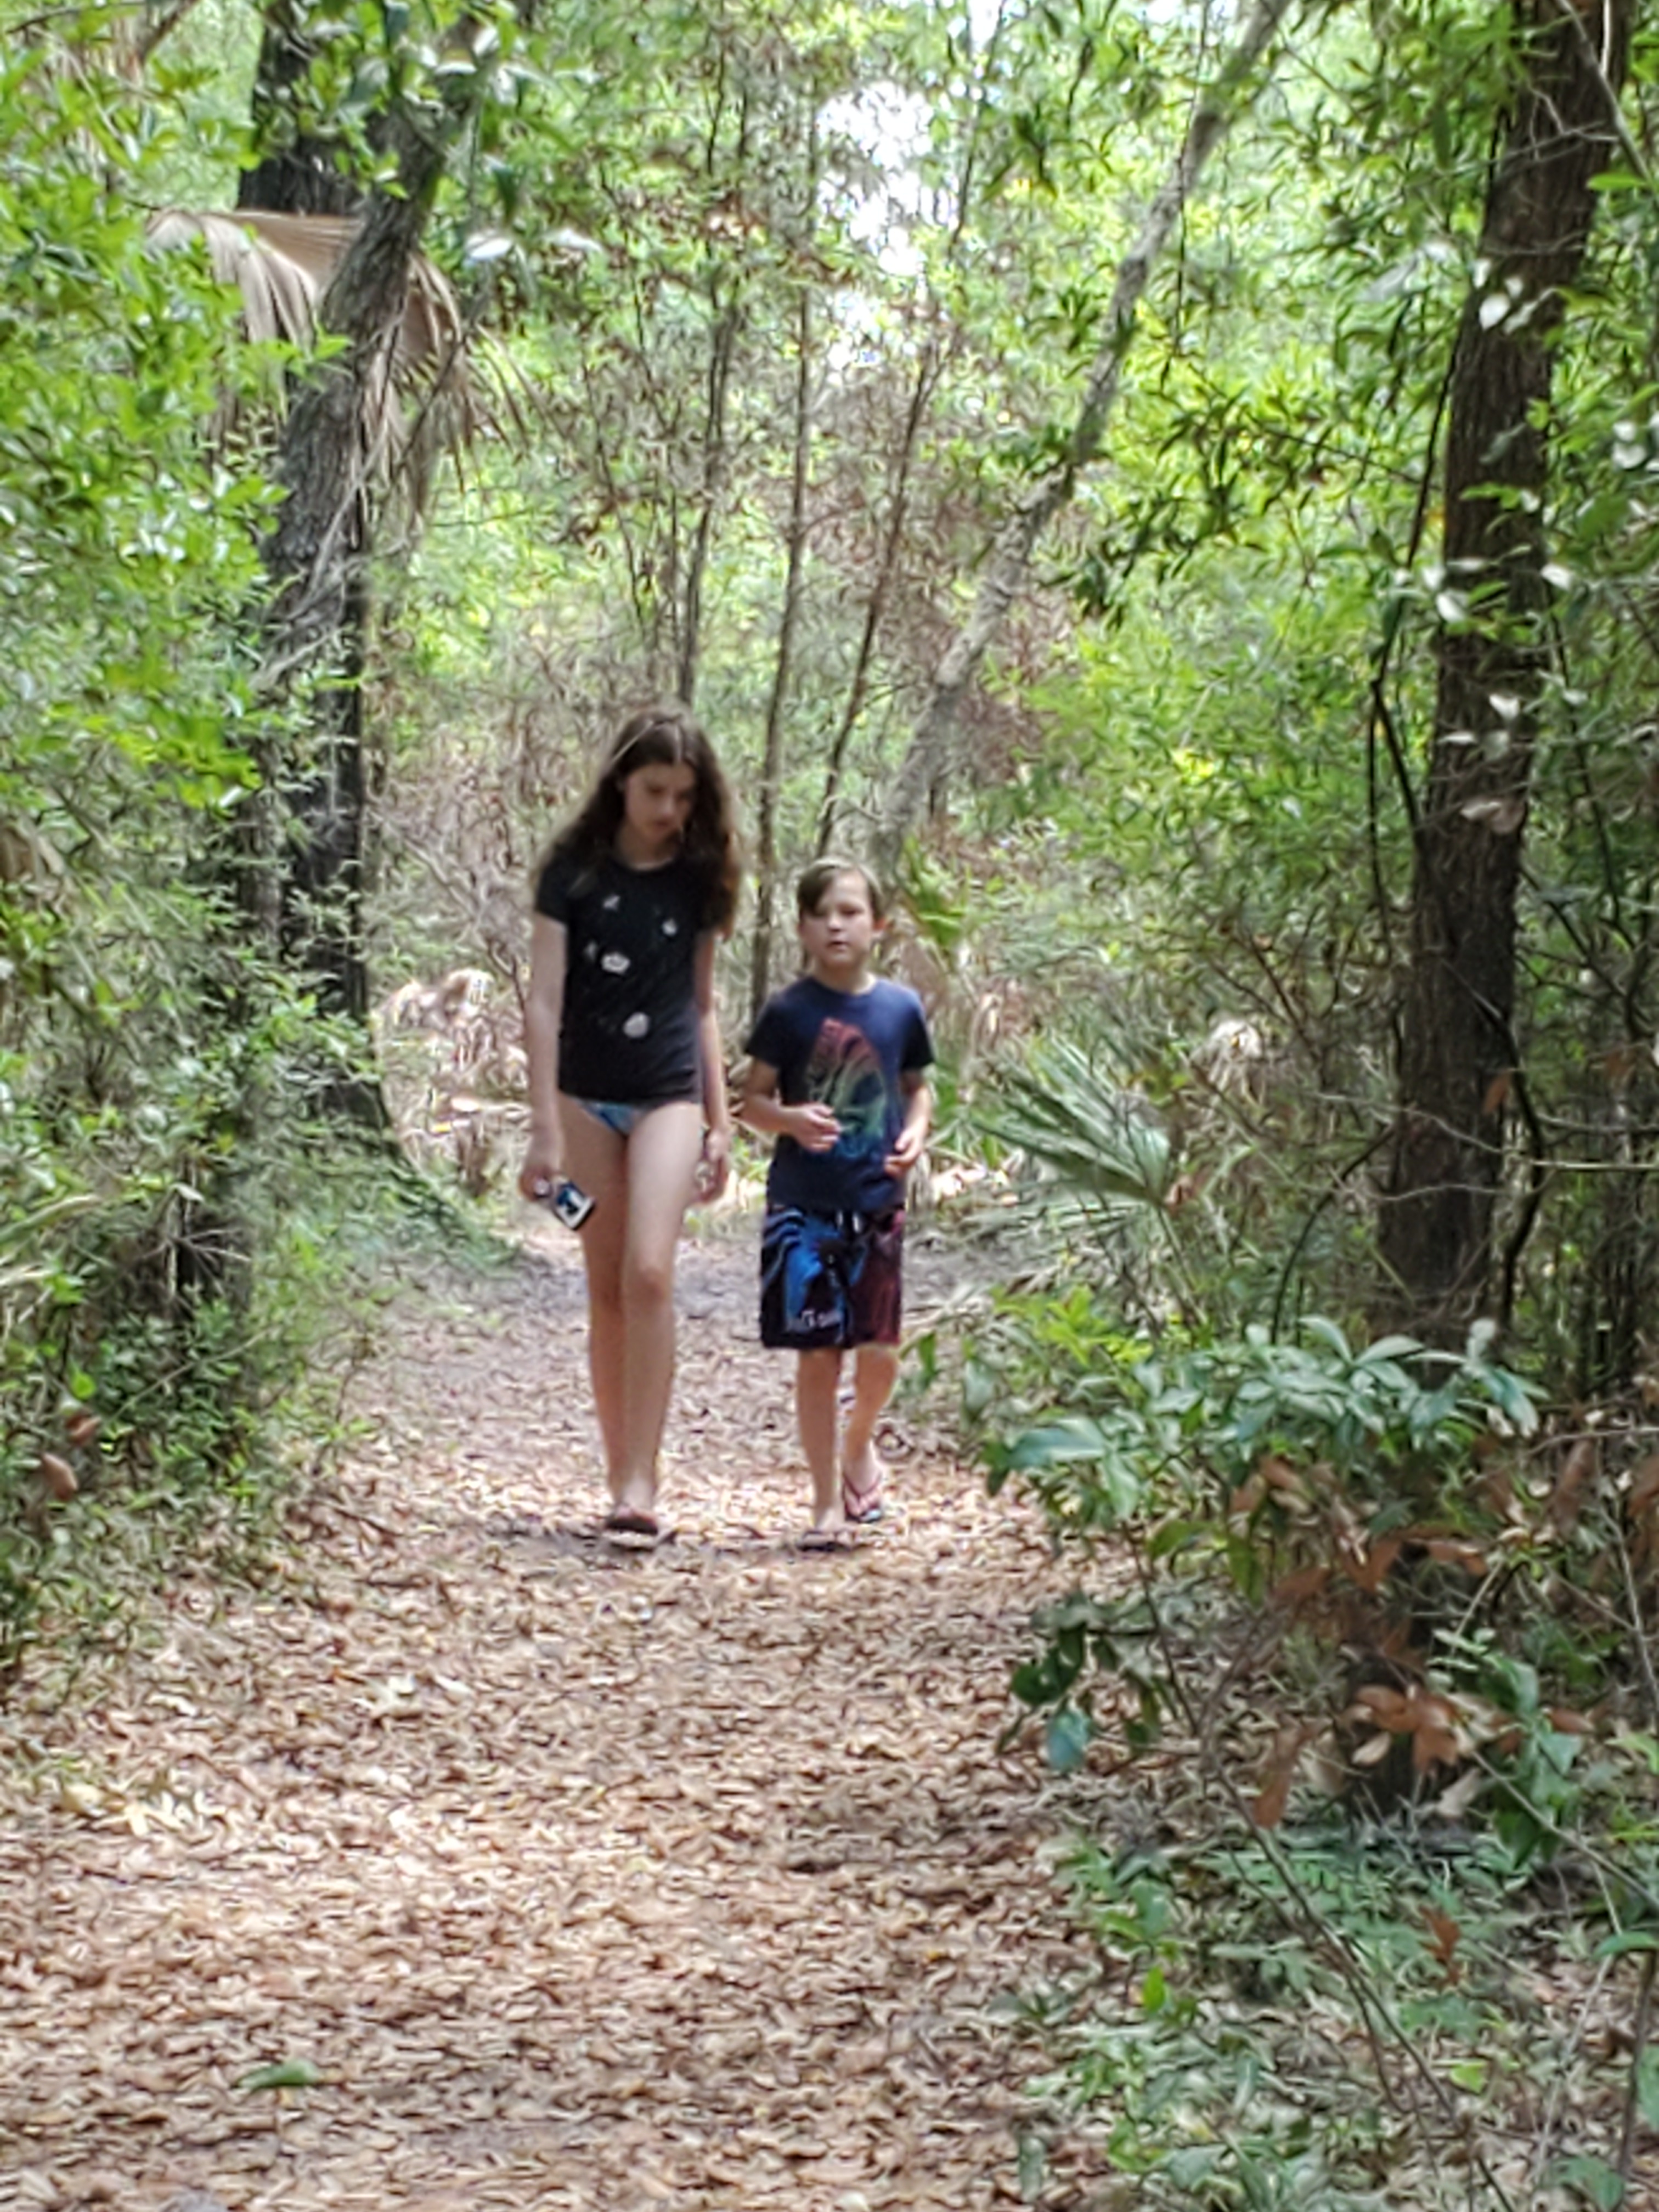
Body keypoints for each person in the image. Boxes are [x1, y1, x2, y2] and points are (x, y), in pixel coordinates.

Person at [518, 703, 741, 1549]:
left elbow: (704, 1004)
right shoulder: (571, 872)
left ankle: (646, 1478)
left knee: (650, 1272)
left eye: (684, 796)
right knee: (607, 1284)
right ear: (621, 782)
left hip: (670, 1093)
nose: (669, 811)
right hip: (583, 1095)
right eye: (655, 791)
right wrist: (543, 1127)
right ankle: (620, 1479)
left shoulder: (702, 875)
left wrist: (721, 1123)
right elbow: (544, 1003)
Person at [740, 858, 934, 1549]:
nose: (836, 925)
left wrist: (916, 1133)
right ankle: (824, 1501)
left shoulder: (901, 1009)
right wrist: (788, 1119)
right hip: (802, 1207)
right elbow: (750, 1101)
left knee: (880, 1354)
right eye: (821, 914)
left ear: (879, 925)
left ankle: (859, 1446)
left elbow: (917, 1087)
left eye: (850, 912)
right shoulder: (787, 1011)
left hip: (877, 1203)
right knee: (818, 1356)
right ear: (801, 928)